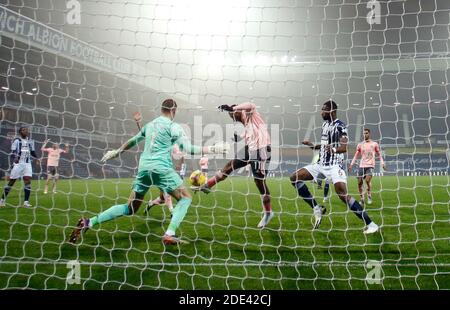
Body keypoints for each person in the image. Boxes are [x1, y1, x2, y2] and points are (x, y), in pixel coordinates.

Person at [69, 99, 229, 245]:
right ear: (174, 111)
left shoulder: (150, 125)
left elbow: (133, 141)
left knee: (130, 208)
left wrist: (117, 152)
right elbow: (188, 149)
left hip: (144, 168)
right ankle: (169, 234)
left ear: (162, 109)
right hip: (161, 169)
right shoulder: (174, 127)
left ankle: (88, 222)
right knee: (186, 198)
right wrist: (213, 149)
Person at [289, 100, 379, 234]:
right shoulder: (325, 125)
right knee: (294, 178)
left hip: (335, 166)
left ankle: (371, 224)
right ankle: (316, 208)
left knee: (343, 195)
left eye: (324, 110)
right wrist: (312, 145)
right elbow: (324, 145)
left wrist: (335, 150)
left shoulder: (341, 126)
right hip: (320, 164)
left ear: (332, 110)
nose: (321, 112)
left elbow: (344, 147)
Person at [196, 102, 274, 228]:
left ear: (238, 110)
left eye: (232, 115)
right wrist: (240, 137)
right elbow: (250, 132)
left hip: (262, 149)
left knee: (259, 182)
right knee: (229, 165)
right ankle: (208, 185)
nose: (232, 117)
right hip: (250, 149)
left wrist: (232, 108)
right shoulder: (245, 122)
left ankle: (268, 213)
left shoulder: (249, 112)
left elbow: (251, 104)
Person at [0, 127, 38, 208]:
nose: (26, 131)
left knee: (27, 181)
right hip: (18, 164)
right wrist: (15, 158)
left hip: (28, 164)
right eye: (24, 130)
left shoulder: (30, 141)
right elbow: (13, 152)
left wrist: (37, 158)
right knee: (12, 182)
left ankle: (26, 202)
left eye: (27, 130)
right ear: (20, 132)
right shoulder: (16, 140)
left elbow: (32, 152)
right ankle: (2, 200)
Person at [348, 128, 386, 205]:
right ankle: (362, 199)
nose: (365, 135)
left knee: (367, 181)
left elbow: (379, 155)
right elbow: (356, 155)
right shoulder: (360, 144)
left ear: (369, 134)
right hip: (362, 165)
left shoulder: (374, 144)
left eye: (366, 133)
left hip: (370, 165)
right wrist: (351, 164)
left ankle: (369, 195)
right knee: (359, 183)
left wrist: (382, 163)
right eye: (364, 133)